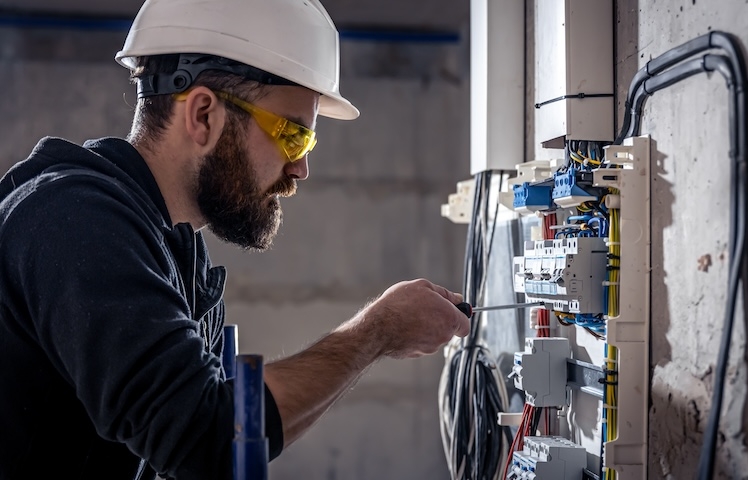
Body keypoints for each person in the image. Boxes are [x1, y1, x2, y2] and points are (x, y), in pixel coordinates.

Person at [0, 0, 470, 478]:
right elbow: (208, 434)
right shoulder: (74, 221)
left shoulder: (175, 256)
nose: (300, 168)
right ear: (203, 114)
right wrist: (375, 332)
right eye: (292, 136)